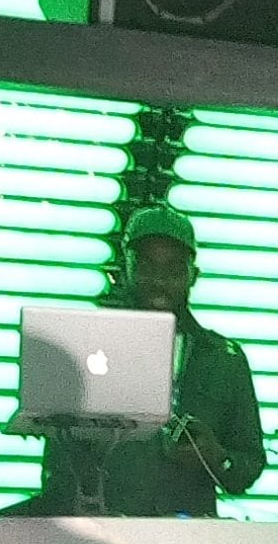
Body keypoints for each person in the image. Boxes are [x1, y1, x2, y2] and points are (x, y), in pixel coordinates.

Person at [34, 204, 265, 517]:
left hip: (189, 537)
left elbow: (247, 467)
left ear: (193, 275)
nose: (159, 281)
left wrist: (214, 456)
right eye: (147, 266)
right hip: (106, 531)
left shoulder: (224, 360)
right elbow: (58, 469)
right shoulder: (89, 348)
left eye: (173, 269)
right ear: (125, 269)